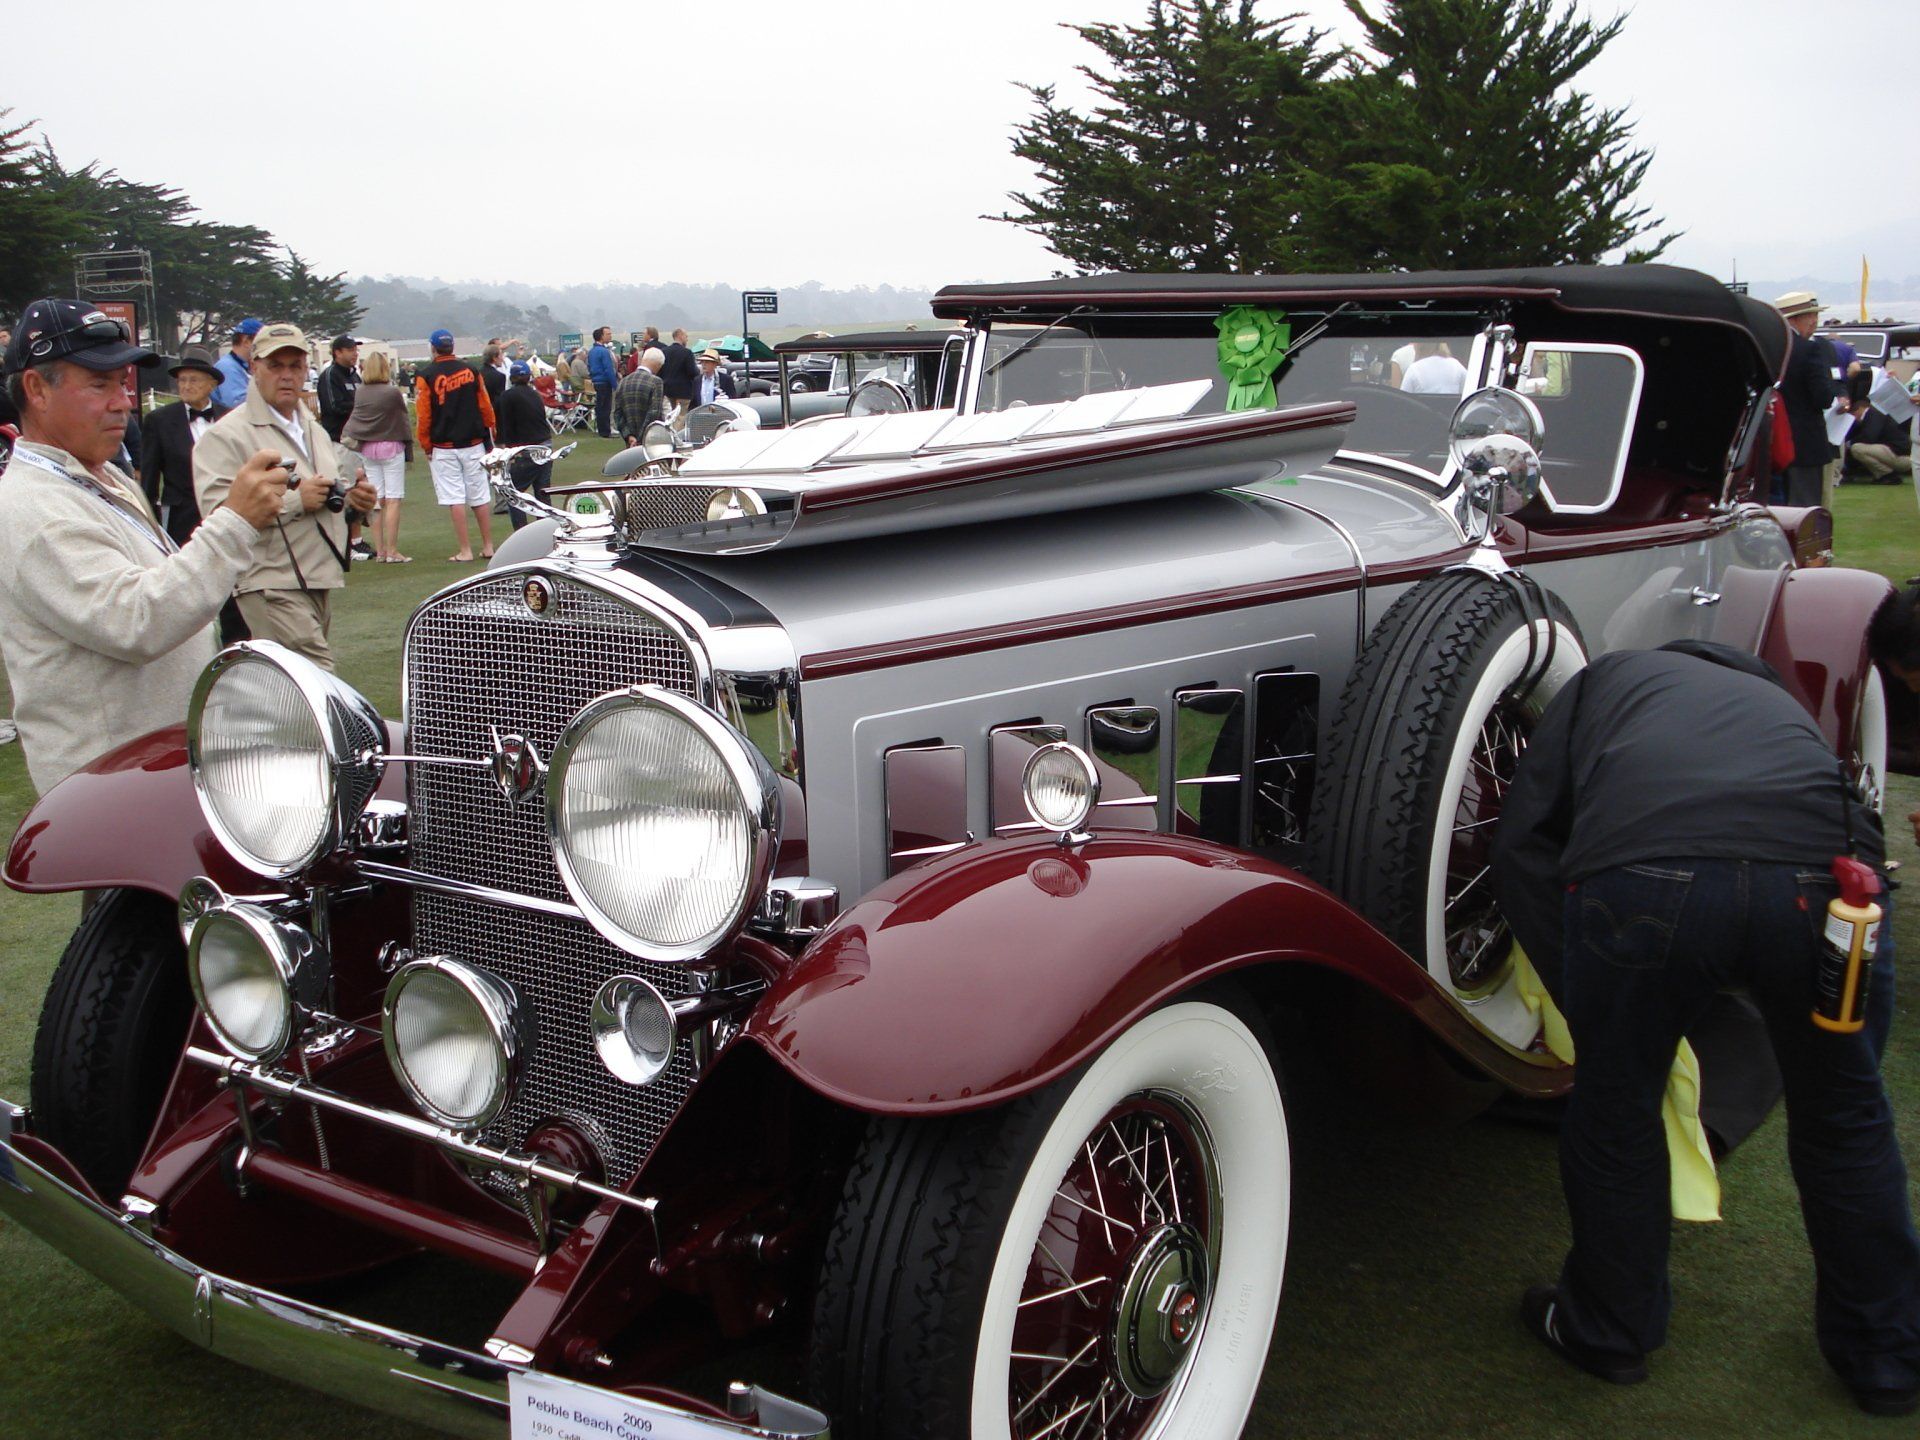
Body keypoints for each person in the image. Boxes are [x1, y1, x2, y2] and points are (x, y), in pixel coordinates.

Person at [1490, 636, 1920, 1417]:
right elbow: (1835, 815)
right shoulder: (1777, 705)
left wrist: (1585, 998)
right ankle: (1885, 1356)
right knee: (1847, 1116)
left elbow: (1522, 842)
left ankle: (1608, 1329)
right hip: (1828, 884)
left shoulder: (1598, 685)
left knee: (1618, 1108)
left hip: (1644, 875)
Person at [0, 298, 287, 794]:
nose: (123, 401)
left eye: (122, 383)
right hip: (108, 796)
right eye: (99, 384)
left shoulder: (98, 476)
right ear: (36, 389)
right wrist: (235, 522)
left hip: (152, 778)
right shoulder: (32, 507)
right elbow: (137, 620)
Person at [195, 323, 376, 670]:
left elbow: (330, 496)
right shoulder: (226, 436)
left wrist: (355, 503)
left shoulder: (312, 428)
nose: (287, 375)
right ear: (254, 368)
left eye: (295, 366)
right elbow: (218, 516)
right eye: (275, 366)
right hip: (269, 582)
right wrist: (296, 502)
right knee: (319, 683)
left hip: (317, 577)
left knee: (291, 700)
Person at [414, 327, 497, 562]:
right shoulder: (470, 369)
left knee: (455, 497)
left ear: (433, 348)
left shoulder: (426, 374)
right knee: (479, 494)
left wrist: (426, 444)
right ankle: (489, 546)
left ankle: (465, 550)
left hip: (443, 445)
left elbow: (424, 414)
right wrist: (491, 427)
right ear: (452, 346)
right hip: (473, 442)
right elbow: (485, 404)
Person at [341, 348, 413, 562]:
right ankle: (392, 550)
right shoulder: (390, 392)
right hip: (390, 447)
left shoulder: (361, 391)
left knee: (376, 500)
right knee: (393, 499)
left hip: (368, 449)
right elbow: (402, 417)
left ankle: (381, 551)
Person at [1773, 291, 1840, 508]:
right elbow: (1823, 397)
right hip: (1804, 441)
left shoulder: (1768, 347)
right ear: (1796, 318)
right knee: (1805, 510)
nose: (1814, 322)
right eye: (1811, 316)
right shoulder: (1808, 350)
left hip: (1772, 439)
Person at [495, 361, 554, 527]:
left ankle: (521, 533)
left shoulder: (507, 396)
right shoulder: (535, 394)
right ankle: (545, 531)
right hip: (546, 445)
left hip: (526, 449)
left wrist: (509, 451)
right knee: (542, 493)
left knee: (514, 493)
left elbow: (506, 426)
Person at [613, 347, 667, 446]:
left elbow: (617, 413)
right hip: (650, 440)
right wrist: (640, 438)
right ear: (658, 365)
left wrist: (629, 436)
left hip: (631, 442)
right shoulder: (656, 382)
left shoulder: (623, 382)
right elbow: (654, 413)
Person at [212, 317, 262, 409]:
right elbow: (236, 404)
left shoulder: (243, 365)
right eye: (261, 341)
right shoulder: (227, 367)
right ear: (246, 342)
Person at [1398, 341, 1466, 394]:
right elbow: (1469, 393)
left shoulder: (1414, 369)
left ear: (1419, 345)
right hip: (1453, 411)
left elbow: (1403, 401)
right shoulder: (1456, 365)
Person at [661, 327, 697, 422]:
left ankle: (669, 433)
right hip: (683, 391)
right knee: (680, 417)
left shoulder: (664, 351)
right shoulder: (687, 353)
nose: (687, 339)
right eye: (686, 336)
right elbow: (692, 372)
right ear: (680, 336)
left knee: (670, 415)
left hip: (667, 390)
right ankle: (676, 435)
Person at [588, 326, 618, 438]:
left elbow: (589, 366)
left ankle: (601, 430)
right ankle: (606, 431)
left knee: (600, 407)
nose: (610, 336)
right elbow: (608, 369)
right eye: (608, 334)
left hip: (596, 381)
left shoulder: (591, 352)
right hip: (604, 382)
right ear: (601, 336)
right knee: (606, 407)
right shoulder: (604, 351)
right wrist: (615, 384)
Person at [480, 340, 508, 413]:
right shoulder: (499, 377)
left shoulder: (478, 373)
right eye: (501, 355)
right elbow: (499, 403)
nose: (502, 359)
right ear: (494, 358)